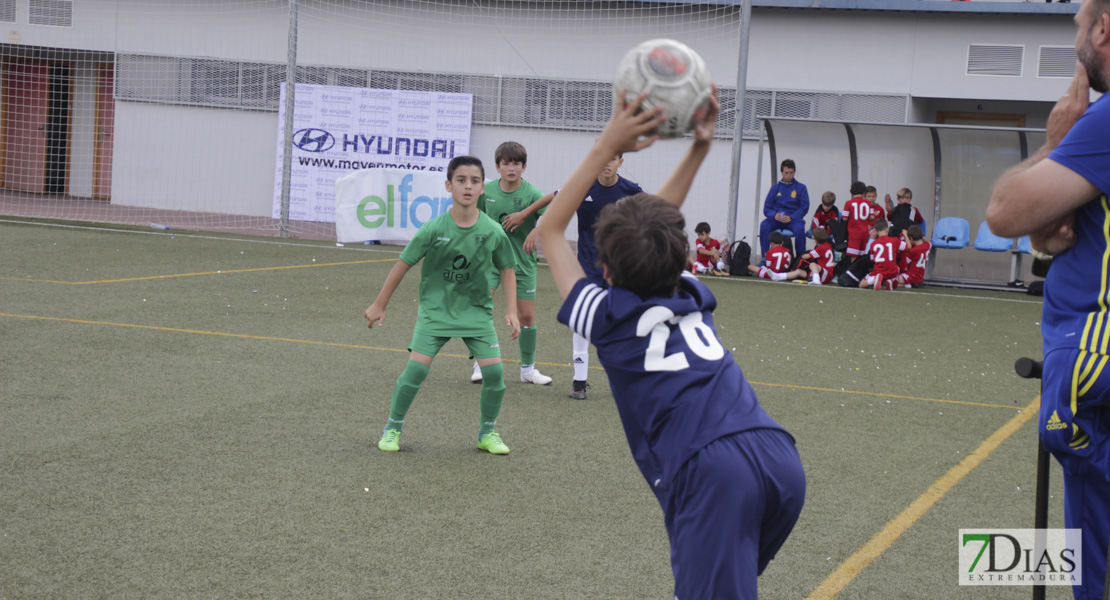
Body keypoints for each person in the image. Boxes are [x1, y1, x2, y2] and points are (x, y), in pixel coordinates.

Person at [537, 88, 805, 600]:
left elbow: (551, 229)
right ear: (679, 260)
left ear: (606, 271)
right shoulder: (692, 294)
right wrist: (699, 147)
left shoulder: (608, 316)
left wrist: (603, 147)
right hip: (777, 454)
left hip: (712, 473)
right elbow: (657, 224)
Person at [986, 1, 1110, 594]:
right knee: (1085, 552)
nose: (1077, 42)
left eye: (1079, 28)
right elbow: (1047, 231)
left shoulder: (1104, 119)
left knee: (1064, 414)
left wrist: (1053, 140)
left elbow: (1005, 213)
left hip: (1090, 339)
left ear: (1102, 30)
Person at [365, 155, 521, 455]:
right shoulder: (433, 229)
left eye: (475, 181)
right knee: (415, 372)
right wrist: (379, 304)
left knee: (495, 376)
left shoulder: (492, 231)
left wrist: (511, 310)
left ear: (482, 188)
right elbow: (403, 264)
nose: (468, 186)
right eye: (461, 180)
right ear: (448, 185)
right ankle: (392, 427)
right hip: (435, 313)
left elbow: (507, 269)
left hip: (476, 313)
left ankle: (487, 433)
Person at [469, 141, 554, 387]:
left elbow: (556, 207)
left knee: (526, 316)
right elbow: (476, 219)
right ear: (498, 167)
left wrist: (536, 229)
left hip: (523, 264)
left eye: (516, 163)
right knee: (479, 307)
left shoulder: (531, 193)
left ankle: (527, 369)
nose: (511, 168)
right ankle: (480, 363)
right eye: (506, 163)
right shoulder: (487, 192)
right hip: (491, 263)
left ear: (524, 167)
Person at [563, 149, 644, 400]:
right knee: (581, 323)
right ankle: (579, 382)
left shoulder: (632, 191)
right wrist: (529, 219)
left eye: (612, 159)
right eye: (603, 158)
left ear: (621, 162)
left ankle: (630, 381)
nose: (607, 164)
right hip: (587, 268)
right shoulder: (582, 186)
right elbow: (555, 199)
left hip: (618, 270)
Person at [759, 159, 810, 258]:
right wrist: (774, 215)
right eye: (786, 173)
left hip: (793, 219)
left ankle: (800, 260)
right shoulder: (775, 188)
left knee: (800, 229)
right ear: (781, 172)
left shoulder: (801, 188)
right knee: (764, 226)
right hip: (776, 219)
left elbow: (804, 207)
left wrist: (792, 217)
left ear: (794, 172)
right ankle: (765, 258)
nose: (788, 175)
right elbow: (766, 208)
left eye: (791, 173)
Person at [859, 218, 905, 291]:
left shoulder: (873, 244)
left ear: (876, 231)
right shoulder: (894, 240)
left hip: (879, 270)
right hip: (892, 271)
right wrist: (905, 235)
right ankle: (890, 281)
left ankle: (875, 278)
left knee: (861, 284)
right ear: (888, 229)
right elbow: (907, 246)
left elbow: (872, 260)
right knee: (897, 269)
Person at [841, 181, 876, 259]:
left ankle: (853, 271)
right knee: (861, 255)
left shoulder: (848, 203)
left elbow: (845, 218)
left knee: (853, 256)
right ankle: (861, 271)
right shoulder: (868, 203)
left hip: (854, 233)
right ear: (864, 192)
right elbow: (872, 217)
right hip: (864, 232)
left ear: (852, 193)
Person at [896, 224, 930, 289]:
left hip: (911, 276)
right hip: (920, 277)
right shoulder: (927, 245)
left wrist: (905, 235)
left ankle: (908, 285)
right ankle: (911, 284)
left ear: (911, 238)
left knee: (891, 281)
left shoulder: (913, 251)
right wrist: (921, 236)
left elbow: (905, 264)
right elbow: (929, 242)